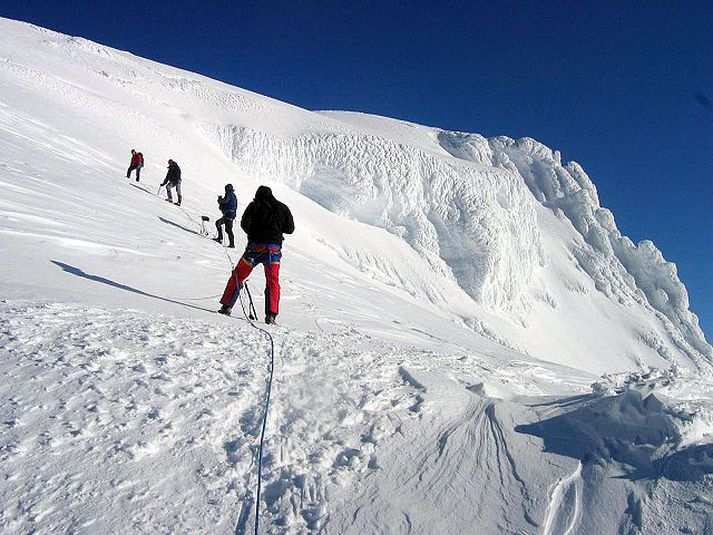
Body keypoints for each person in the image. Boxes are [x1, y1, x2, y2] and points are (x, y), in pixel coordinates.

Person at [218, 185, 294, 324]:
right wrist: (276, 228)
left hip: (255, 247)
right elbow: (290, 228)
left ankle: (226, 306)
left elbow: (244, 224)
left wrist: (254, 233)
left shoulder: (254, 206)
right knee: (272, 281)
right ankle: (271, 315)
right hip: (273, 250)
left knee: (238, 275)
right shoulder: (281, 207)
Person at [214, 183, 238, 248]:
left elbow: (225, 201)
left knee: (227, 228)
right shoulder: (233, 195)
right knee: (220, 224)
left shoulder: (229, 194)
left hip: (228, 214)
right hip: (231, 214)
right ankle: (221, 239)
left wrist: (220, 200)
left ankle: (230, 243)